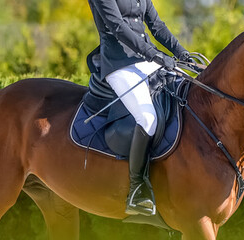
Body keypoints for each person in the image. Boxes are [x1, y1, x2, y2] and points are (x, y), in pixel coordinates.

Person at [87, 0, 190, 216]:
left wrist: (182, 54)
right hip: (119, 64)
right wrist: (153, 53)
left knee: (187, 92)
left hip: (145, 60)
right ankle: (137, 189)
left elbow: (157, 26)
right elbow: (116, 26)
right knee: (147, 118)